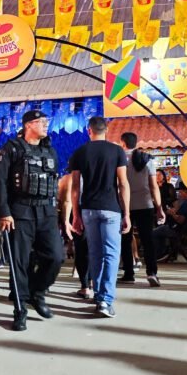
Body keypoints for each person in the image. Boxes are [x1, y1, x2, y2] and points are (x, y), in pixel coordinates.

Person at [0, 110, 63, 331]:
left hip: (46, 211)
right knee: (19, 262)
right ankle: (20, 308)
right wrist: (4, 212)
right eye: (41, 122)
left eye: (46, 122)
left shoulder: (49, 150)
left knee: (56, 257)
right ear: (28, 125)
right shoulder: (12, 149)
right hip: (20, 212)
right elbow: (0, 182)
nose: (45, 125)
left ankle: (38, 292)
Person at [68, 117, 131, 318]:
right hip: (111, 208)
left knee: (94, 253)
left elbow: (76, 188)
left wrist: (75, 215)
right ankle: (105, 299)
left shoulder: (79, 152)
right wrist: (127, 213)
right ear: (107, 130)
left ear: (89, 131)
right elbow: (123, 184)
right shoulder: (117, 151)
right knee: (111, 254)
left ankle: (98, 295)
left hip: (88, 209)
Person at [119, 131, 165, 287]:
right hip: (146, 204)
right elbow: (154, 187)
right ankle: (152, 273)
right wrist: (159, 207)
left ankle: (129, 274)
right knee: (148, 240)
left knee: (126, 240)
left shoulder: (119, 159)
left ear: (123, 143)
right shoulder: (147, 160)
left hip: (125, 205)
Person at [58, 172, 90, 299]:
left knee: (82, 249)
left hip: (78, 212)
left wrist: (66, 220)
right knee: (94, 249)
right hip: (97, 209)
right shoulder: (97, 172)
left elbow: (67, 200)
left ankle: (85, 287)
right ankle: (95, 283)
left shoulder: (71, 177)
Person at [153, 185, 187, 256]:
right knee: (159, 229)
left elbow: (180, 220)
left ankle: (158, 254)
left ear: (185, 192)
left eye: (180, 192)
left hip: (176, 229)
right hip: (181, 229)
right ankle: (164, 253)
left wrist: (172, 213)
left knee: (154, 233)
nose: (180, 194)